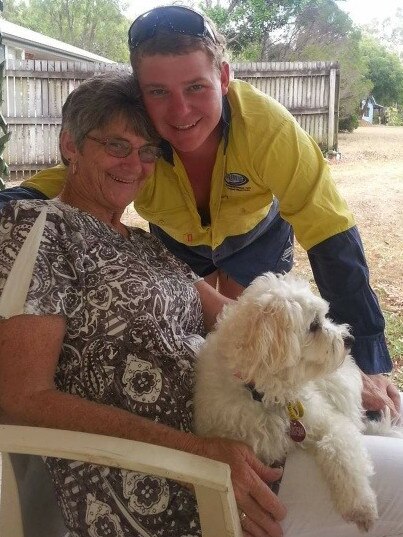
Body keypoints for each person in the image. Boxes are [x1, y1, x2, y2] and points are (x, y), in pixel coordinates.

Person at [0, 72, 402, 537]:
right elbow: (20, 396)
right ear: (70, 145)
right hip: (161, 480)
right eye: (116, 146)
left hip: (245, 440)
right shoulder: (37, 228)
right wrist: (198, 451)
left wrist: (345, 371)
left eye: (147, 150)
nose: (135, 164)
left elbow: (240, 320)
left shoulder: (145, 245)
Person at [0, 6, 399, 421]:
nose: (180, 112)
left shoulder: (269, 131)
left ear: (224, 78)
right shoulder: (140, 142)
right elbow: (64, 179)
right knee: (196, 326)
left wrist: (364, 364)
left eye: (196, 87)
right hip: (176, 240)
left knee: (257, 342)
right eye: (158, 92)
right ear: (140, 91)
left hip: (254, 237)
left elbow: (331, 235)